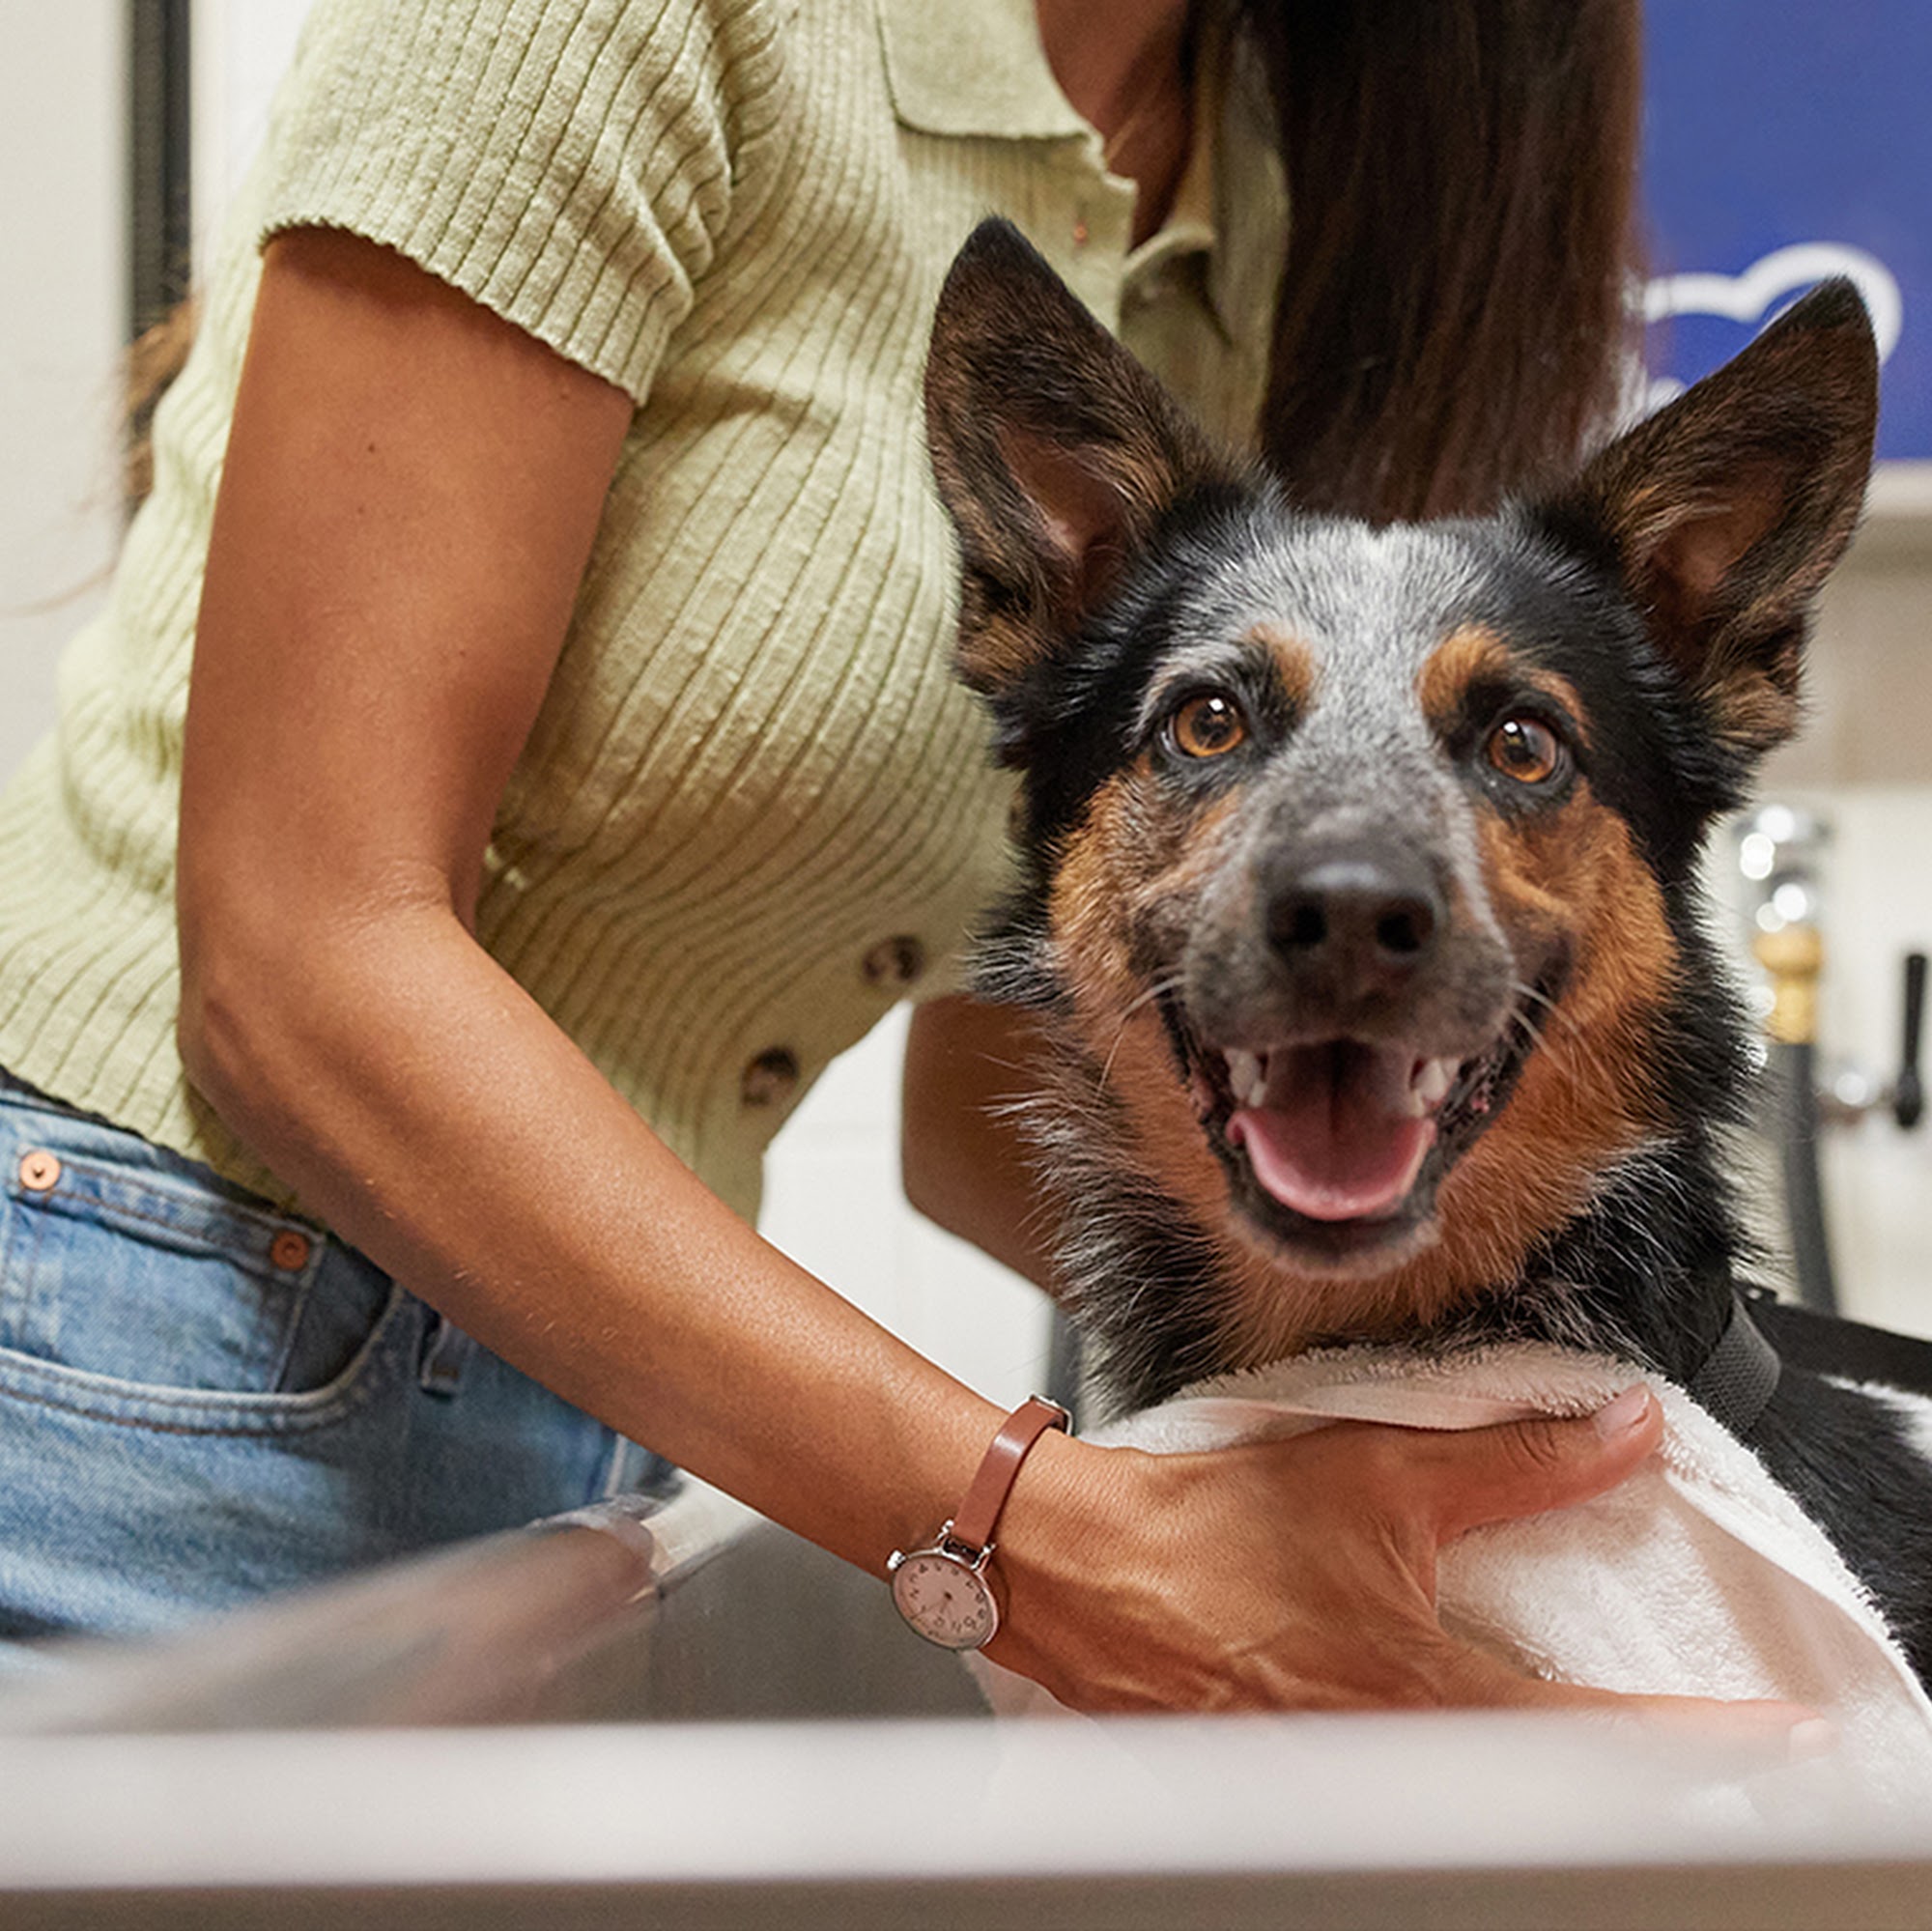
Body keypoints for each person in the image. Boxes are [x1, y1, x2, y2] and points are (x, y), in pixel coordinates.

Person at [0, 0, 1731, 1718]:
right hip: (133, 1319)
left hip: (596, 1380)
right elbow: (300, 957)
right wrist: (1039, 1527)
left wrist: (1568, 1359)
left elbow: (999, 1093)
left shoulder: (1269, 203)